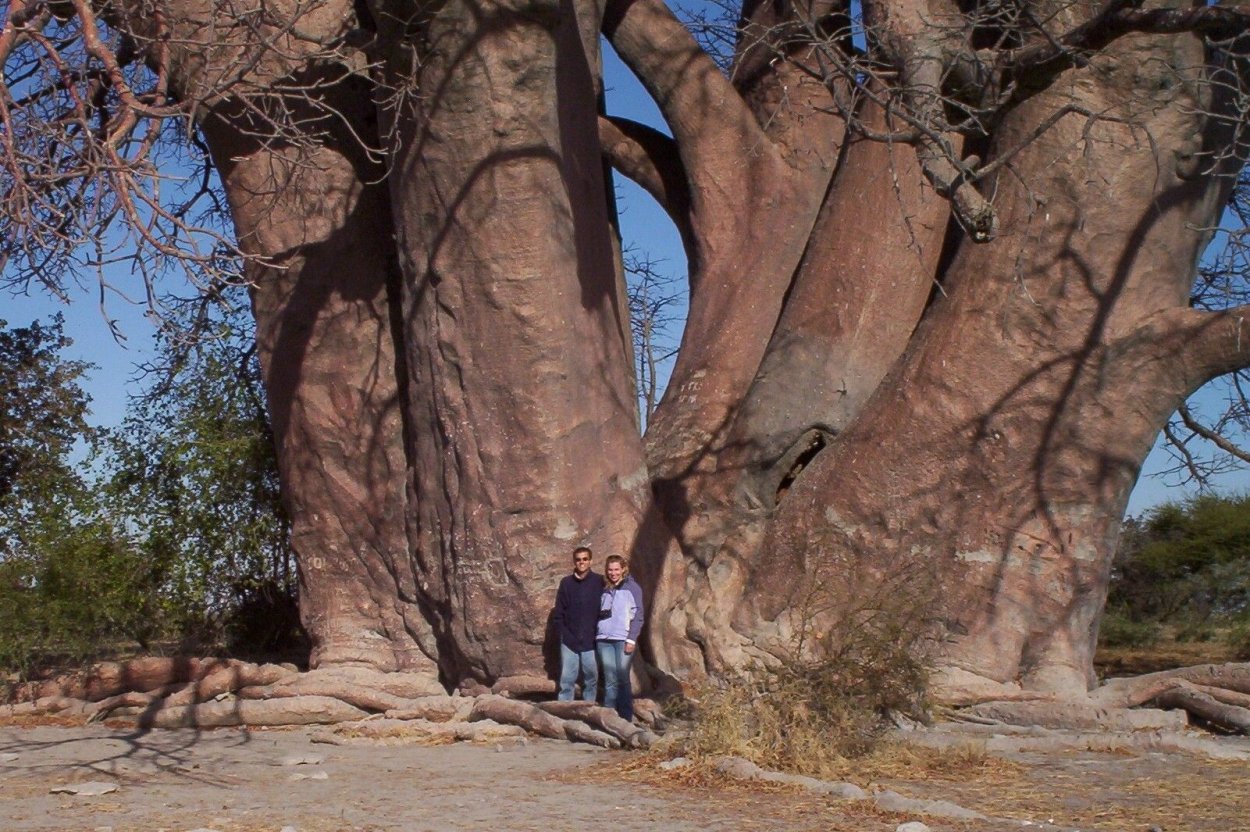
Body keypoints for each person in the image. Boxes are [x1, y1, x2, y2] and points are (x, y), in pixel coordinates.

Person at [596, 554, 644, 721]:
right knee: (609, 678)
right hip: (603, 639)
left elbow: (638, 615)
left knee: (622, 677)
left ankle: (625, 716)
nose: (613, 573)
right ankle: (609, 715)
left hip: (623, 639)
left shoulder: (632, 588)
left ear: (623, 569)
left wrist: (631, 639)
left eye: (616, 569)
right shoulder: (605, 589)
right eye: (610, 570)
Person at [552, 546, 601, 702]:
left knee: (591, 679)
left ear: (590, 561)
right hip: (569, 639)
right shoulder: (566, 583)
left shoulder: (599, 581)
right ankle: (564, 712)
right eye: (578, 559)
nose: (582, 562)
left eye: (585, 559)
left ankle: (589, 709)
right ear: (574, 561)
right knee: (567, 680)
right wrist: (565, 634)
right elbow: (559, 612)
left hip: (591, 640)